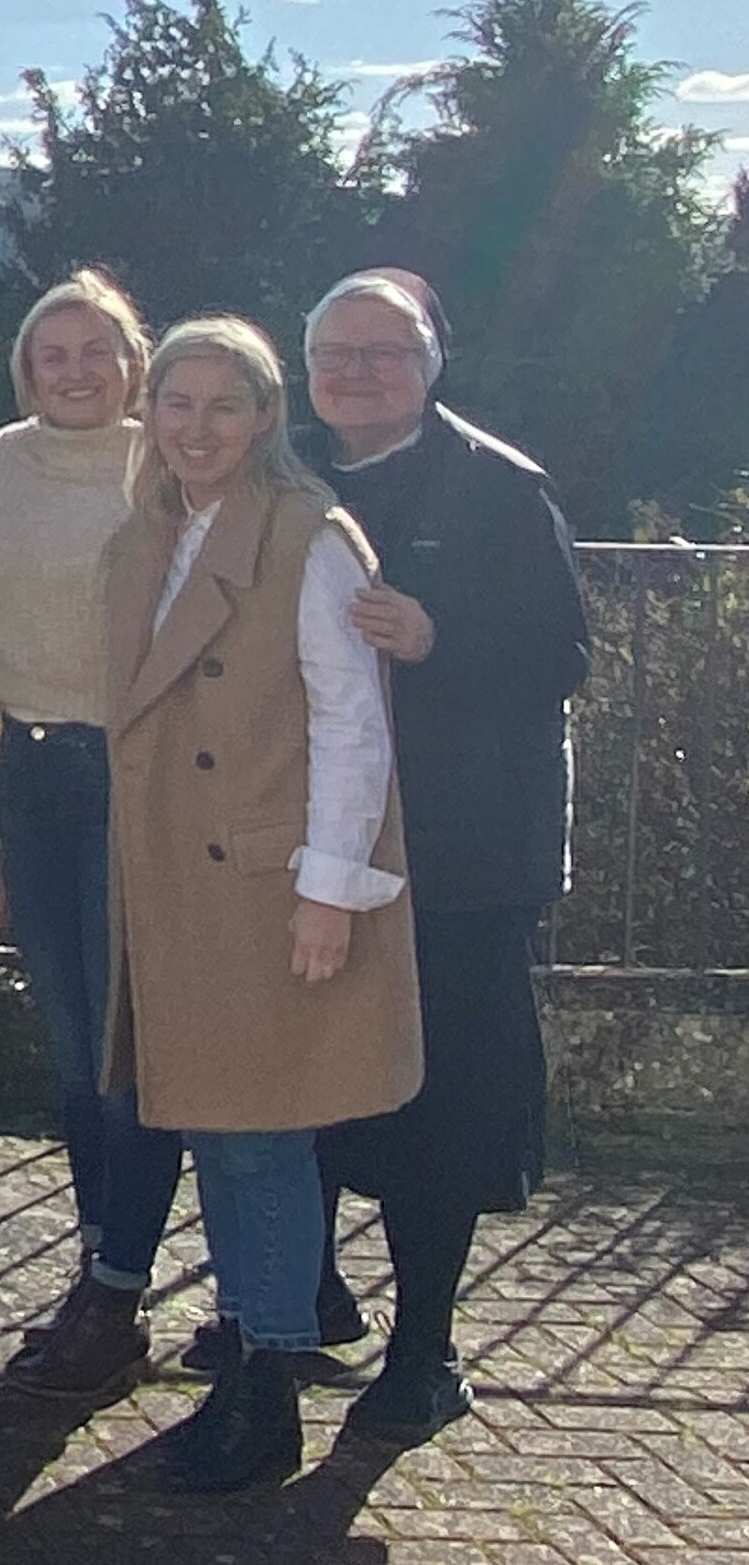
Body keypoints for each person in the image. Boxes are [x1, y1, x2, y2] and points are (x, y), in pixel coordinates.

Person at [102, 315, 421, 1493]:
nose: (196, 427)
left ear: (264, 415)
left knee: (260, 1139)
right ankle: (247, 1354)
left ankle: (268, 1382)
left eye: (221, 405)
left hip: (266, 879)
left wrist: (331, 890)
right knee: (224, 1137)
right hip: (184, 877)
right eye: (175, 404)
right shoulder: (157, 529)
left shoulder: (309, 533)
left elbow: (352, 717)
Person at [301, 269, 588, 1445]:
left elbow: (564, 652)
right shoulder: (289, 478)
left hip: (461, 858)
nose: (358, 371)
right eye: (336, 352)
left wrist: (438, 638)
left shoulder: (501, 486)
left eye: (386, 350)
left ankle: (426, 1350)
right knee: (307, 1087)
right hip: (321, 842)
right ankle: (298, 1301)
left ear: (432, 362)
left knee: (440, 1105)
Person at [0, 274, 185, 1397]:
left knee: (130, 1056)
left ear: (135, 360)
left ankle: (117, 1285)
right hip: (30, 772)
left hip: (138, 773)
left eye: (95, 351)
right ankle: (101, 1276)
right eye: (50, 356)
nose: (72, 371)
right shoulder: (6, 457)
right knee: (77, 1055)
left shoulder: (166, 458)